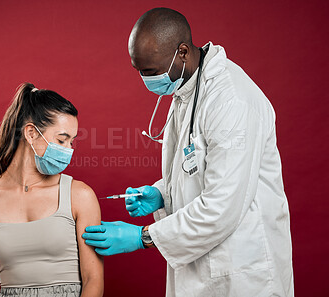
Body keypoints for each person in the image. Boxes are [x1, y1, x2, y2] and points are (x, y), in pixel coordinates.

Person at [82, 7, 294, 297]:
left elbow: (221, 208)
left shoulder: (231, 100)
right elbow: (198, 166)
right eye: (139, 70)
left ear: (182, 52)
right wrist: (162, 194)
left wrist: (142, 237)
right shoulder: (187, 87)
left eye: (151, 71)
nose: (145, 79)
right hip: (204, 268)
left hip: (242, 270)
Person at [0, 83, 103, 297]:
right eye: (62, 140)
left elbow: (93, 280)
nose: (69, 150)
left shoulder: (79, 195)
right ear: (31, 133)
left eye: (72, 142)